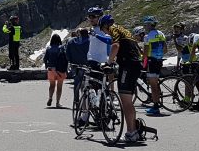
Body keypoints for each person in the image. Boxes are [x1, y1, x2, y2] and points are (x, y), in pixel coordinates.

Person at [100, 15, 142, 144]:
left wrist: (109, 62)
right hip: (135, 64)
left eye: (103, 29)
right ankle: (133, 130)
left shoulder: (113, 29)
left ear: (106, 25)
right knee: (128, 100)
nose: (103, 32)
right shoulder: (124, 30)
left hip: (127, 65)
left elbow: (115, 46)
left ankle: (131, 133)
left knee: (125, 101)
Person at [141, 17, 167, 117]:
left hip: (152, 61)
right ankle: (157, 103)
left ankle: (155, 107)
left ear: (149, 25)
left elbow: (146, 51)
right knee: (156, 83)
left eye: (145, 25)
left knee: (153, 85)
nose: (144, 27)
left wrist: (144, 61)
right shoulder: (161, 33)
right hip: (159, 60)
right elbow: (165, 49)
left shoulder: (147, 36)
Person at [66, 26, 90, 107]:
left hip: (75, 65)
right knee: (87, 83)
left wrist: (70, 61)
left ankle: (76, 101)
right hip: (86, 65)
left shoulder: (71, 41)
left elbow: (67, 53)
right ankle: (86, 101)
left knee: (77, 83)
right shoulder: (89, 41)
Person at [43, 34, 67, 108]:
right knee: (59, 87)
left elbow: (45, 59)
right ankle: (57, 103)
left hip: (51, 70)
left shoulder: (48, 48)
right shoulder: (62, 48)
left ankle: (50, 98)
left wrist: (48, 66)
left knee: (52, 85)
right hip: (60, 70)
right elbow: (65, 58)